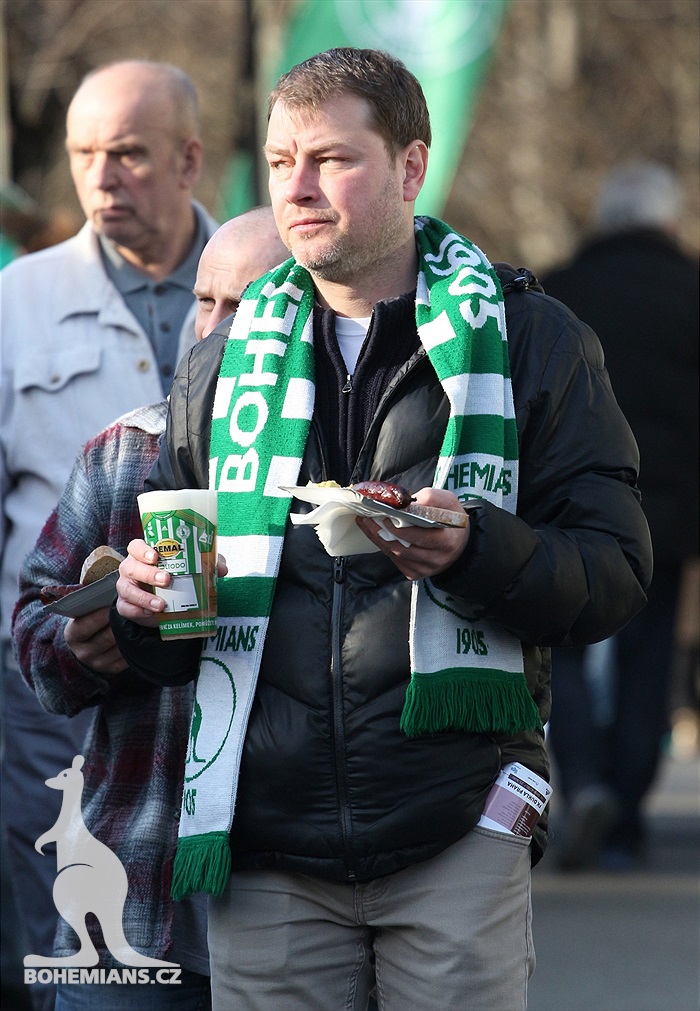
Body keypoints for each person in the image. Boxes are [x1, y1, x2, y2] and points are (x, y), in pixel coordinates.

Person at [111, 48, 652, 1010]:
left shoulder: (533, 341)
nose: (299, 188)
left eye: (331, 159)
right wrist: (143, 608)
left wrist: (479, 549)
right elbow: (173, 638)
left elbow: (615, 572)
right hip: (266, 846)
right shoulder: (222, 367)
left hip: (455, 831)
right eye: (280, 163)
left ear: (410, 167)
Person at [10, 208, 289, 1011]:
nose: (214, 328)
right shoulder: (128, 450)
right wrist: (83, 644)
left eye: (248, 307)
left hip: (294, 905)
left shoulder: (343, 471)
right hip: (132, 892)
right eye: (204, 301)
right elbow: (34, 626)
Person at [0, 60, 217, 1009]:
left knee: (184, 930)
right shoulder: (16, 302)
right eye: (86, 155)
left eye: (129, 153)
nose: (102, 177)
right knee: (56, 934)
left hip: (216, 674)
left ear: (189, 159)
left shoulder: (261, 283)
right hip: (47, 674)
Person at [540, 160, 699, 871]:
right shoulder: (691, 293)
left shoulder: (558, 291)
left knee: (566, 648)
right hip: (665, 513)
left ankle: (585, 783)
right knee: (648, 657)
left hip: (569, 506)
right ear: (668, 222)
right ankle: (628, 815)